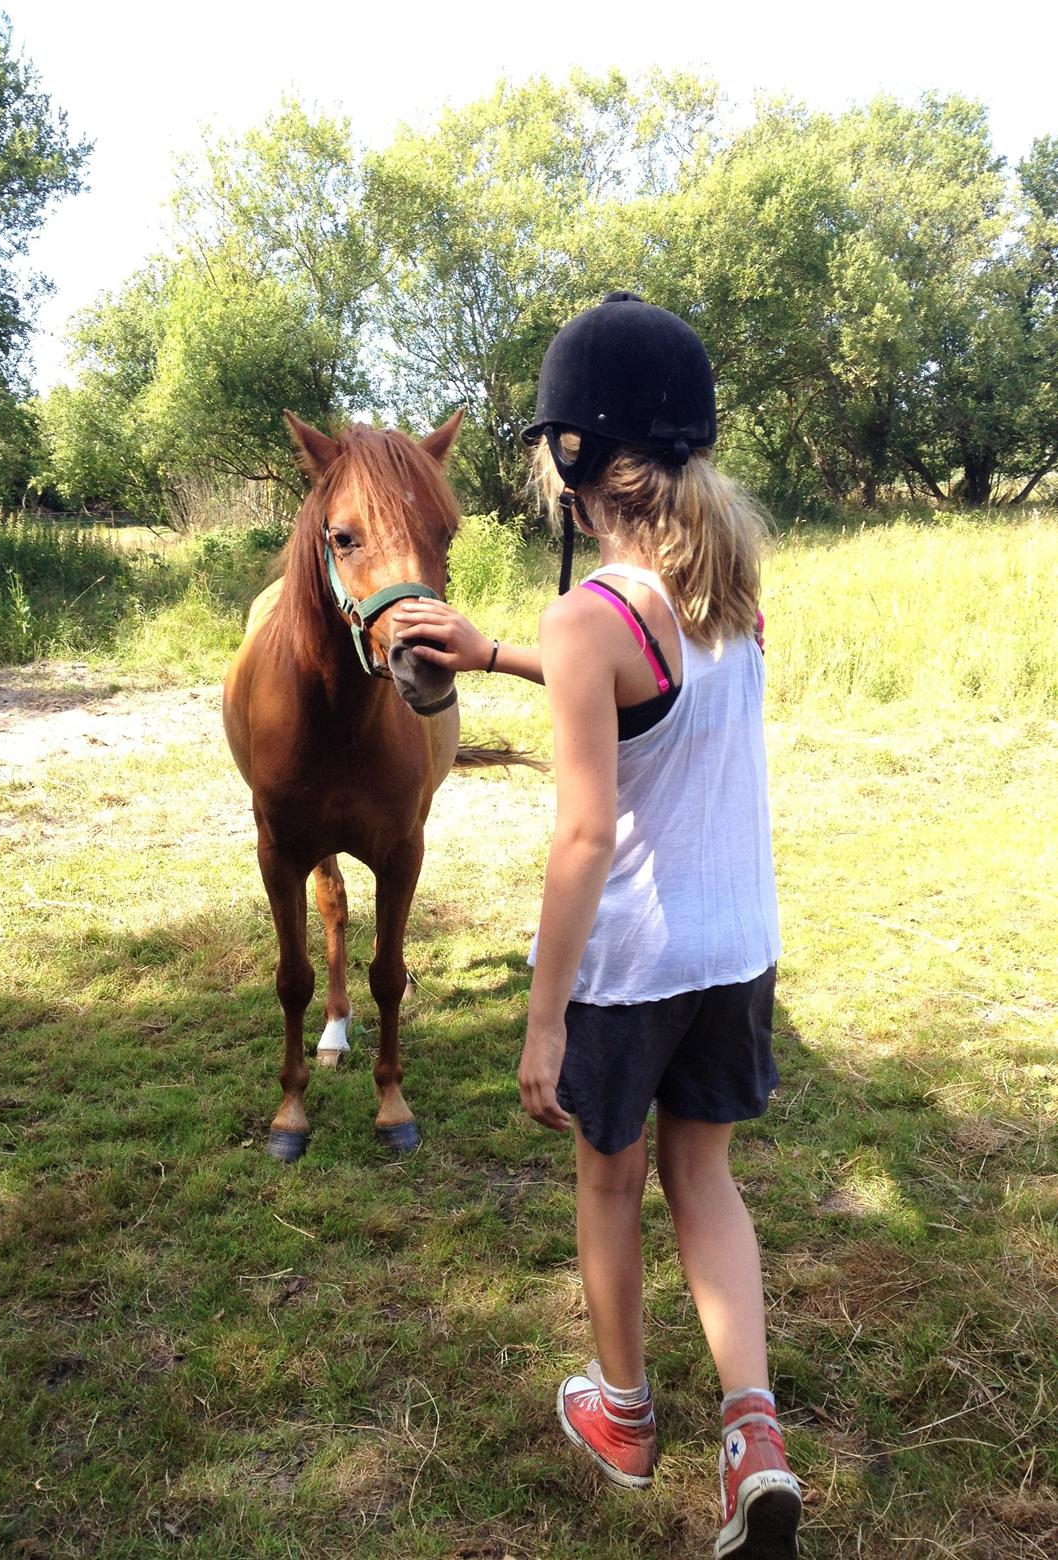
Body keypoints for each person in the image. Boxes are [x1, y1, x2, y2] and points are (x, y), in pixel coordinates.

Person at [395, 292, 801, 1559]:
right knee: (707, 1179)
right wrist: (496, 651)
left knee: (609, 1182)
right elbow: (633, 681)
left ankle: (624, 1414)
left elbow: (582, 835)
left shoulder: (593, 619)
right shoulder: (732, 596)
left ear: (573, 463)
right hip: (738, 950)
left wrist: (541, 1014)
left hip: (631, 967)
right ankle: (755, 1437)